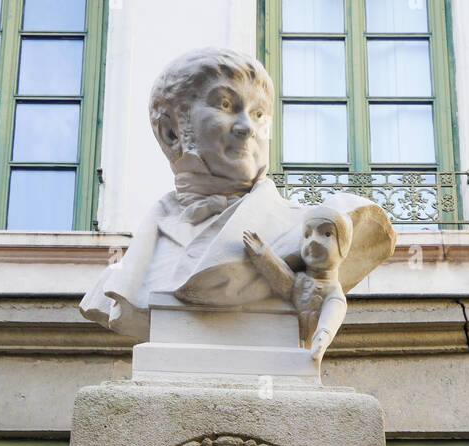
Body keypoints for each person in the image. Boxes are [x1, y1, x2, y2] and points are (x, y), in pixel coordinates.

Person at [80, 47, 394, 333]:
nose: (247, 128)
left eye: (258, 114)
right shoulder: (139, 257)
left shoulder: (317, 226)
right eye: (226, 105)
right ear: (171, 132)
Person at [243, 207, 353, 364]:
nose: (313, 240)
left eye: (326, 234)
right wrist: (262, 253)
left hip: (307, 349)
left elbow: (334, 311)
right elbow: (283, 280)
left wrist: (323, 335)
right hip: (285, 344)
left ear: (343, 245)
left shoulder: (333, 291)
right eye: (307, 235)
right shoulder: (300, 281)